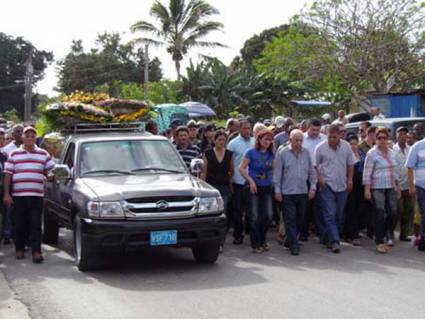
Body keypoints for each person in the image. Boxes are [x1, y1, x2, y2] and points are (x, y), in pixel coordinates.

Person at [3, 126, 55, 263]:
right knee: (19, 224)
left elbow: (51, 171)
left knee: (35, 224)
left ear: (35, 138)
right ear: (22, 138)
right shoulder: (14, 154)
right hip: (18, 196)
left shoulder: (43, 154)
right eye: (27, 135)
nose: (30, 138)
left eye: (32, 136)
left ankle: (36, 252)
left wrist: (50, 175)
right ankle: (19, 249)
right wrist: (6, 194)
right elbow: (8, 175)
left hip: (36, 195)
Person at [273, 129, 316, 255]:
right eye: (296, 140)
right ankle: (294, 245)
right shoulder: (282, 153)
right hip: (287, 192)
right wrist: (277, 190)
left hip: (302, 191)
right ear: (290, 140)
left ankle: (289, 240)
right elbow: (277, 173)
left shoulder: (306, 153)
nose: (298, 143)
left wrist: (313, 187)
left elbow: (311, 172)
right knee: (290, 219)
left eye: (300, 140)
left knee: (300, 218)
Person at [315, 124, 356, 253]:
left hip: (342, 185)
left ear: (339, 135)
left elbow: (351, 164)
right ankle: (335, 241)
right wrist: (320, 179)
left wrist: (350, 179)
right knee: (330, 213)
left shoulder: (346, 146)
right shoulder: (320, 148)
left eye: (334, 137)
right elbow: (314, 166)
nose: (331, 139)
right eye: (329, 137)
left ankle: (328, 237)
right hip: (327, 185)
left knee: (339, 214)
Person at [363, 127, 401, 253]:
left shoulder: (391, 152)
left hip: (390, 186)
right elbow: (367, 172)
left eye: (384, 138)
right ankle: (380, 241)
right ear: (376, 139)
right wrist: (367, 189)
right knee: (379, 212)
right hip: (377, 187)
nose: (382, 140)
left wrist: (398, 186)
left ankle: (385, 233)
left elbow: (395, 171)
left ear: (388, 139)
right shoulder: (372, 153)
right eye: (379, 138)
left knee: (393, 212)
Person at [239, 130, 274, 253]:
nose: (267, 142)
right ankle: (255, 243)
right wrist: (251, 181)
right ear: (259, 140)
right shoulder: (251, 152)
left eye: (270, 140)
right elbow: (241, 168)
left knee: (268, 215)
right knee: (254, 216)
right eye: (265, 139)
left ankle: (262, 239)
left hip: (267, 187)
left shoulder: (271, 154)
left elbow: (274, 170)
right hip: (253, 187)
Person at [227, 119, 255, 245]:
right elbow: (230, 163)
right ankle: (238, 235)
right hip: (238, 181)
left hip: (252, 181)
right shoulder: (233, 144)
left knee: (252, 210)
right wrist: (230, 180)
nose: (247, 131)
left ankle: (252, 234)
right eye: (244, 128)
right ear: (239, 129)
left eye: (249, 128)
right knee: (238, 211)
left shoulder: (255, 142)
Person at [300, 118, 326, 242]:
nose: (315, 132)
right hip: (305, 177)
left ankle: (322, 235)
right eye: (313, 130)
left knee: (320, 207)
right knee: (305, 207)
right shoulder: (302, 139)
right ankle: (303, 233)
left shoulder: (325, 139)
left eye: (317, 130)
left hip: (321, 177)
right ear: (307, 127)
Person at [201, 131, 234, 228]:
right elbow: (204, 171)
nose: (221, 142)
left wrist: (230, 184)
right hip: (211, 186)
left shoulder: (229, 154)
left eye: (224, 140)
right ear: (214, 141)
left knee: (223, 210)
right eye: (219, 140)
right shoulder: (208, 154)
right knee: (211, 210)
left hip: (224, 186)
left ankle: (222, 231)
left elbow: (231, 171)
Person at [393, 127, 413, 242]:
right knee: (398, 210)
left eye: (405, 134)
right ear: (396, 135)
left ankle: (403, 234)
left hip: (408, 185)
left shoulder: (410, 149)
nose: (402, 136)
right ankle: (390, 232)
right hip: (397, 186)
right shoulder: (392, 149)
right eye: (400, 134)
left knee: (408, 210)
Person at [406, 131, 425, 251]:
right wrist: (411, 186)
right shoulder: (417, 146)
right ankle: (423, 239)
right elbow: (410, 167)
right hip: (421, 186)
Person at [344, 134, 363, 246]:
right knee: (350, 210)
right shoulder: (345, 155)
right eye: (351, 144)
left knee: (360, 209)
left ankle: (356, 231)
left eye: (355, 144)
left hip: (360, 186)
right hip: (349, 186)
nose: (353, 146)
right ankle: (351, 235)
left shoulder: (361, 155)